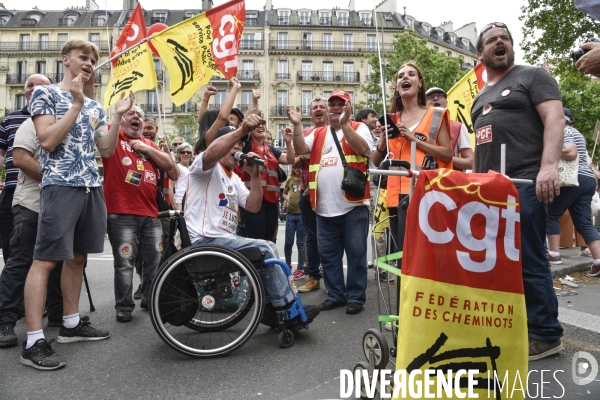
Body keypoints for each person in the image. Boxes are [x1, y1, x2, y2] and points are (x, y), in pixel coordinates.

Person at [23, 39, 134, 370]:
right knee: (44, 261)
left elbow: (108, 150)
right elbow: (47, 140)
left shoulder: (96, 106)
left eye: (92, 59)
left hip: (90, 187)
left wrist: (115, 118)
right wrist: (74, 103)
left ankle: (71, 324)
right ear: (66, 59)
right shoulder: (46, 94)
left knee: (78, 258)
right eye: (83, 57)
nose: (88, 62)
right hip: (60, 185)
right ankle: (32, 341)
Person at [471, 23, 565, 361]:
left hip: (523, 182)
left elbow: (554, 118)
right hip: (488, 191)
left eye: (505, 39)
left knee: (528, 256)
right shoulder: (480, 96)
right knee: (496, 262)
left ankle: (546, 333)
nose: (500, 43)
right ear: (479, 54)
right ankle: (515, 324)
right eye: (492, 40)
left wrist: (548, 166)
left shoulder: (533, 76)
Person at [185, 122, 319, 323]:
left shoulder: (234, 178)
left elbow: (253, 206)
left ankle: (271, 308)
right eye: (234, 143)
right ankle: (287, 308)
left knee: (264, 251)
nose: (238, 147)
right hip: (205, 242)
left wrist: (254, 174)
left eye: (241, 144)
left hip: (223, 242)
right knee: (265, 247)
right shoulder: (204, 167)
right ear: (220, 144)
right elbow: (212, 152)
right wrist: (242, 129)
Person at [288, 89, 372, 315]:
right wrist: (297, 126)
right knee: (329, 256)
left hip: (353, 205)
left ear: (349, 107)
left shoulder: (358, 127)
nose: (336, 108)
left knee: (356, 255)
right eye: (332, 104)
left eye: (341, 104)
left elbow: (364, 149)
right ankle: (336, 294)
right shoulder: (318, 133)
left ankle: (355, 296)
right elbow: (300, 150)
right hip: (323, 208)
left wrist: (345, 125)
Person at [102, 105, 177, 322]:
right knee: (125, 261)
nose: (136, 117)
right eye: (130, 114)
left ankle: (149, 298)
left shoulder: (149, 144)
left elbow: (172, 170)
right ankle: (124, 306)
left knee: (154, 259)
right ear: (120, 118)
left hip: (151, 214)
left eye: (140, 115)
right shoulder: (113, 134)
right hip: (121, 213)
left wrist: (149, 150)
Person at [372, 62, 453, 254]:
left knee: (426, 257)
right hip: (395, 197)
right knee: (403, 258)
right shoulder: (390, 118)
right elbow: (377, 162)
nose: (405, 78)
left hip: (428, 194)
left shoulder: (436, 114)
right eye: (400, 76)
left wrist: (413, 138)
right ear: (397, 88)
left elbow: (447, 153)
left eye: (411, 75)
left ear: (420, 84)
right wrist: (382, 142)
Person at [0, 74, 51, 264]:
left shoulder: (58, 118)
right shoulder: (10, 119)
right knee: (13, 250)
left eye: (41, 85)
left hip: (48, 192)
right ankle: (15, 292)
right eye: (30, 85)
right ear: (25, 90)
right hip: (13, 191)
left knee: (46, 253)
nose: (35, 89)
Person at [546, 108, 600, 273]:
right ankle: (598, 261)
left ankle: (554, 254)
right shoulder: (577, 133)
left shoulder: (564, 130)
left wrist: (548, 152)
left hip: (573, 179)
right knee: (584, 222)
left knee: (550, 213)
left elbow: (570, 152)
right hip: (588, 179)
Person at [291, 97, 327, 292]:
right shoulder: (304, 134)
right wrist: (303, 157)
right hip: (308, 194)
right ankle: (313, 276)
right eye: (315, 108)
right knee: (311, 237)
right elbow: (294, 164)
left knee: (332, 238)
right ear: (310, 113)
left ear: (327, 112)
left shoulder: (335, 132)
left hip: (332, 194)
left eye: (322, 107)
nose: (319, 110)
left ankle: (332, 278)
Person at [239, 117, 295, 242]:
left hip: (272, 201)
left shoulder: (269, 149)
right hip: (253, 200)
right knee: (257, 241)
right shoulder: (247, 146)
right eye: (257, 124)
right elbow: (241, 132)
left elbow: (290, 160)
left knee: (269, 241)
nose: (261, 126)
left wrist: (288, 143)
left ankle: (267, 262)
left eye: (263, 124)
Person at [424, 87, 474, 171]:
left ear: (446, 102)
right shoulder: (417, 126)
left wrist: (443, 156)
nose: (435, 99)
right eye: (431, 97)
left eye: (439, 96)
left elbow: (471, 162)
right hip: (422, 180)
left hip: (449, 181)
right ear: (424, 105)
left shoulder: (458, 127)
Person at [283, 166, 305, 274]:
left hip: (302, 214)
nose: (298, 169)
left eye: (299, 166)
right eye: (295, 166)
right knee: (288, 242)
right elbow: (284, 193)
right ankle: (287, 264)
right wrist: (289, 199)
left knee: (301, 242)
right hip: (290, 214)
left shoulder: (305, 179)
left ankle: (300, 268)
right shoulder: (289, 180)